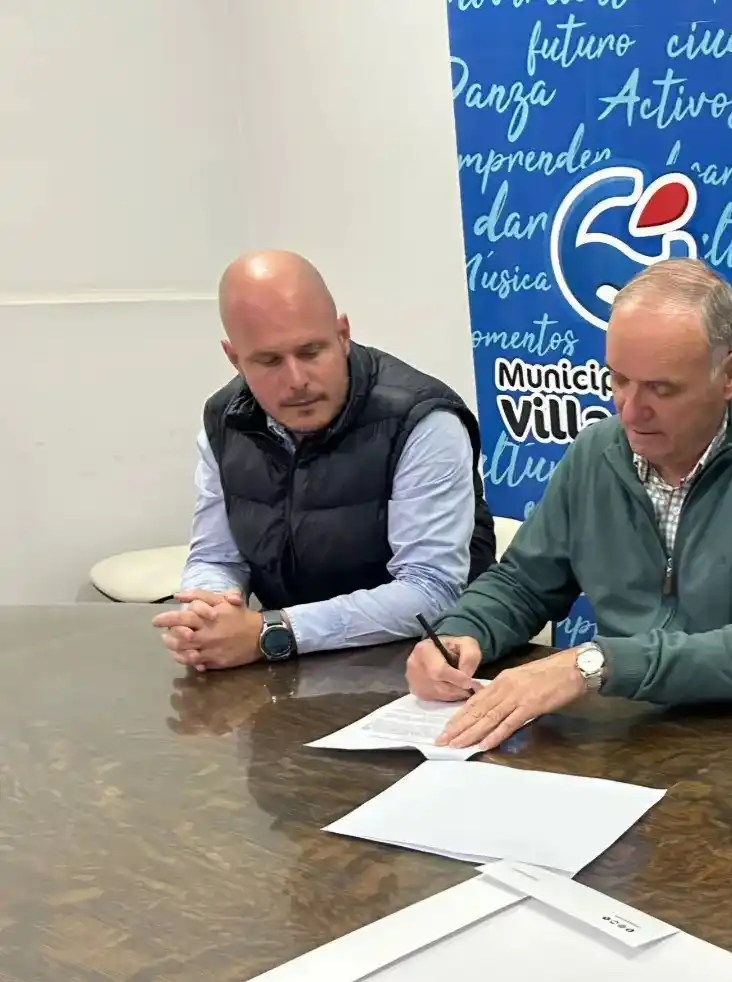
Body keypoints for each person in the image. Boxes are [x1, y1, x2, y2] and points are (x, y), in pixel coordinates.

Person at [407, 258, 732, 751]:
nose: (630, 411)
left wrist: (594, 664)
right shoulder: (596, 452)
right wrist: (463, 633)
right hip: (634, 731)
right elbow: (525, 584)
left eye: (662, 389)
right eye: (618, 380)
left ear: (730, 374)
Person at [154, 250, 496, 671]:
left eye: (311, 351)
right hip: (286, 668)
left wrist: (270, 632)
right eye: (269, 361)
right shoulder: (224, 420)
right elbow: (216, 557)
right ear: (234, 357)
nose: (296, 380)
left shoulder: (422, 419)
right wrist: (206, 610)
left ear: (343, 334)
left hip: (427, 670)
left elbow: (431, 590)